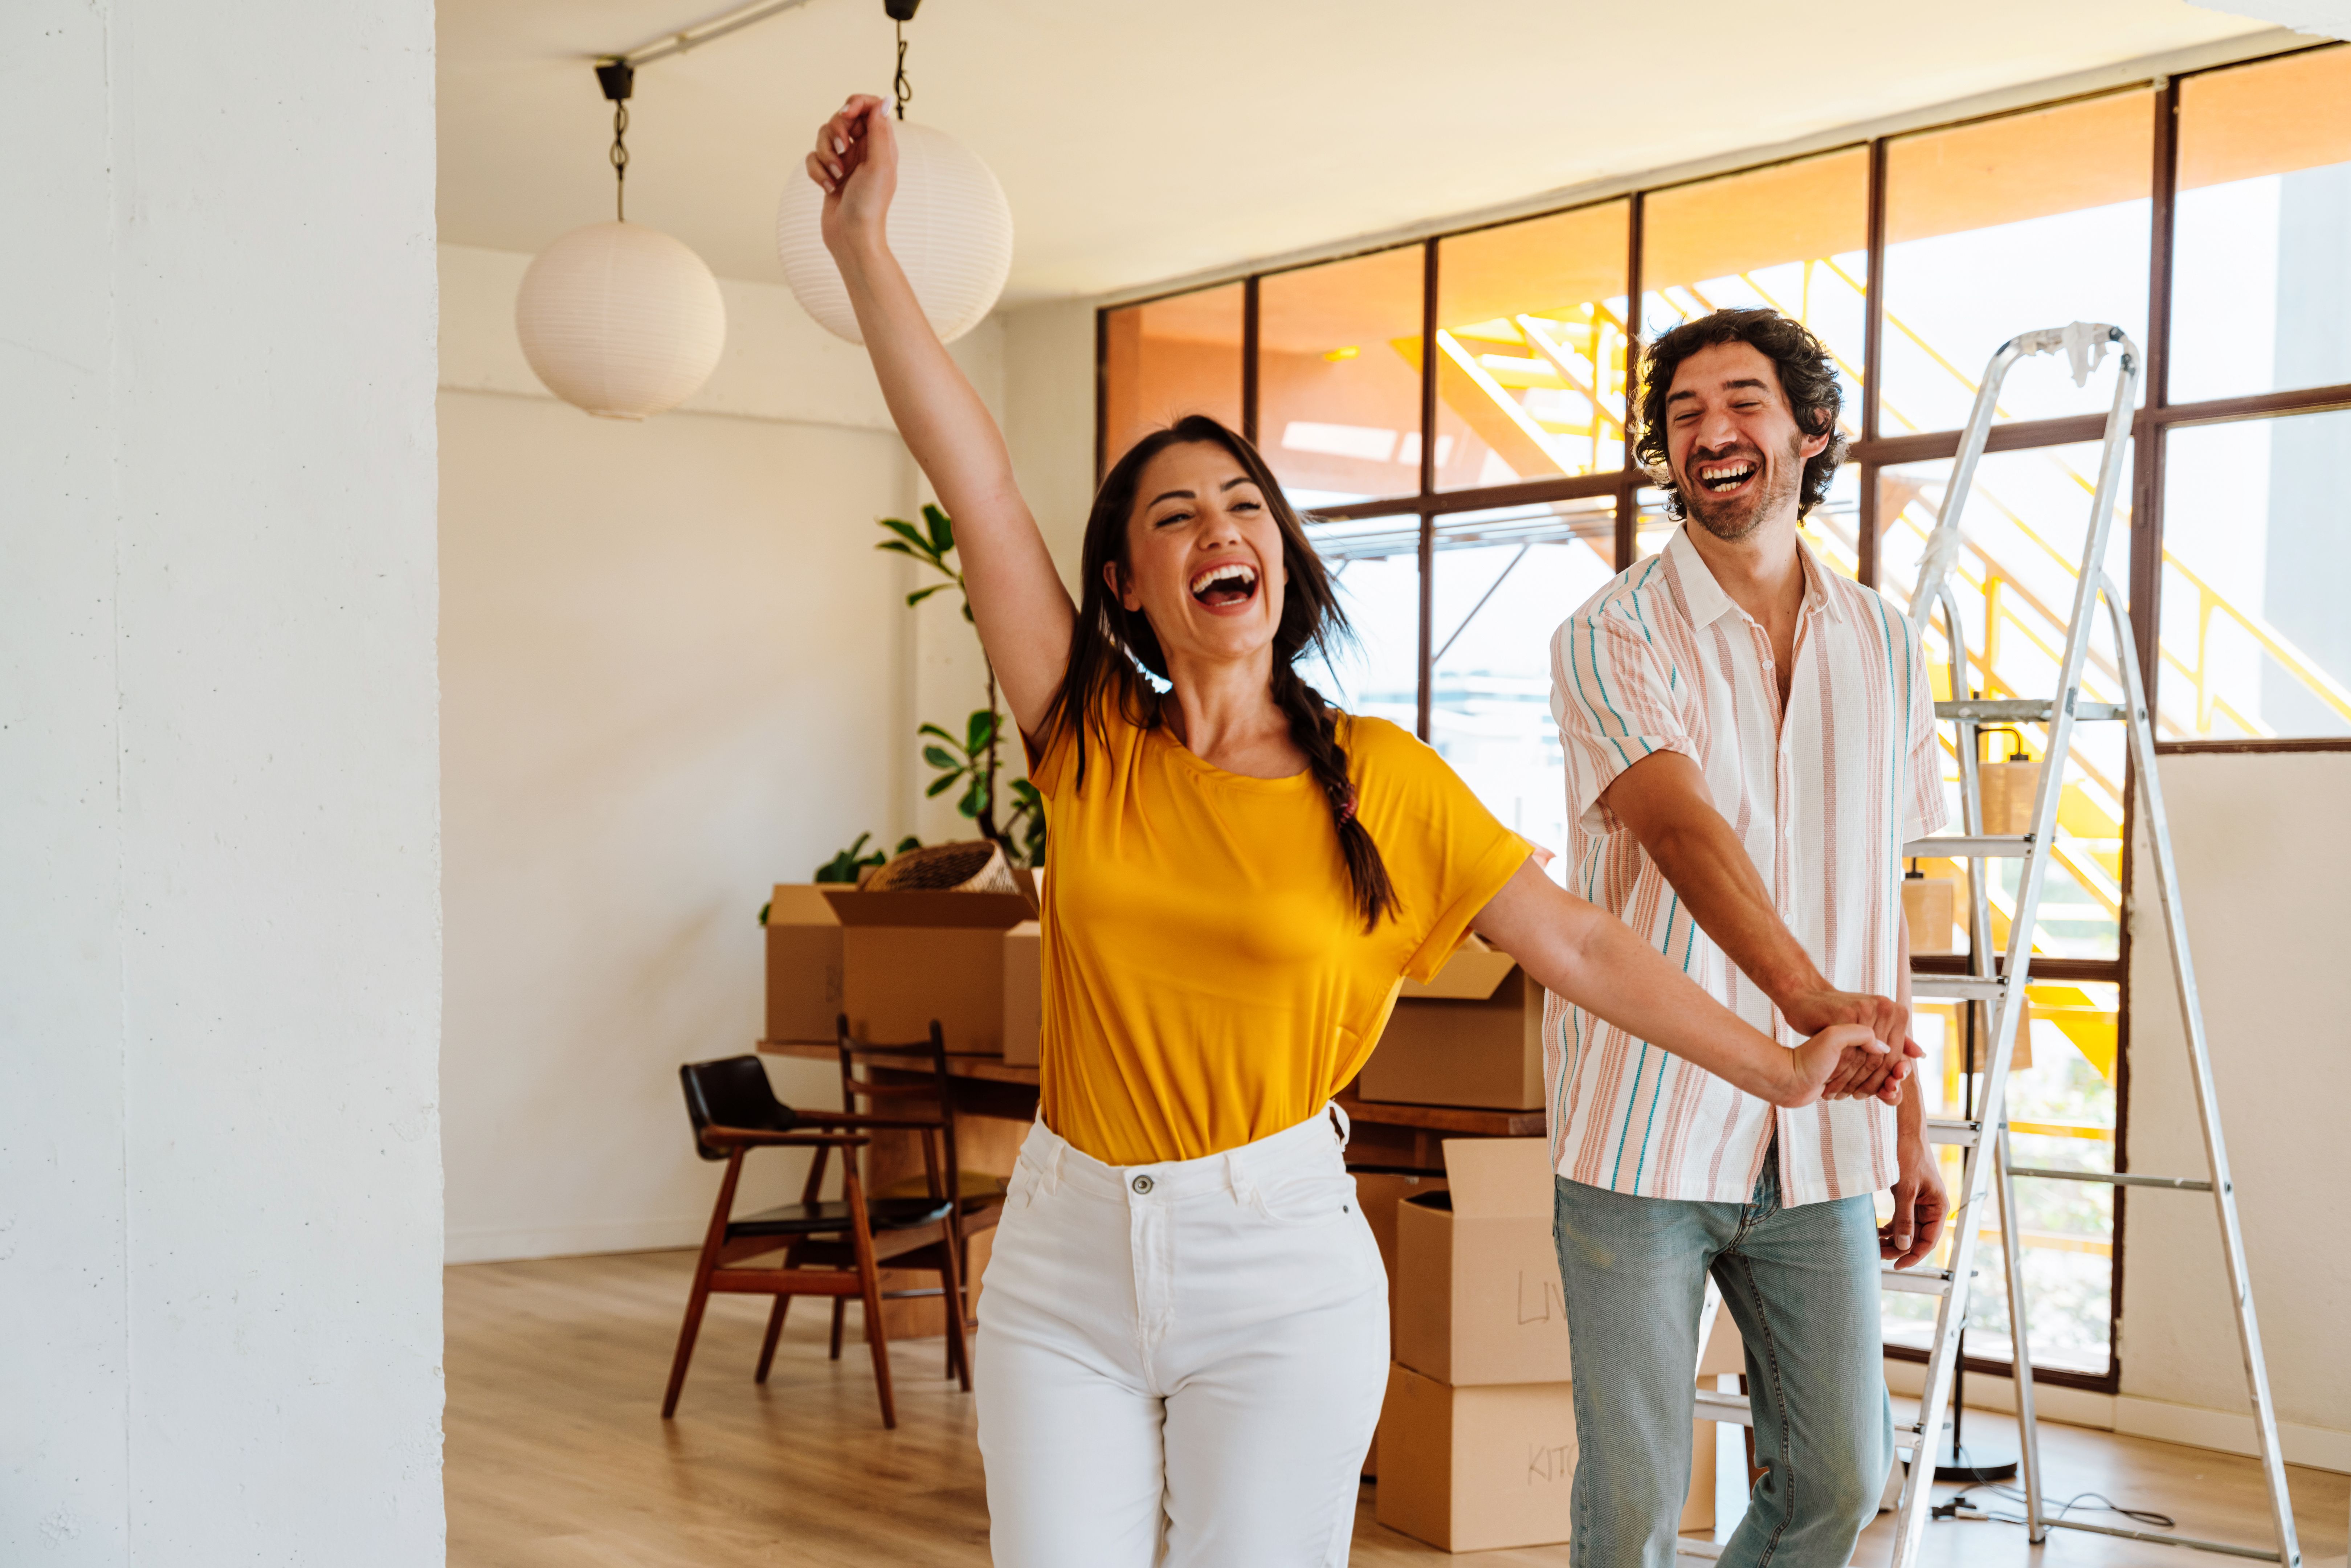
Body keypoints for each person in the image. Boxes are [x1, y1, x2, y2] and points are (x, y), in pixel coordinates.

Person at [804, 101, 1910, 1568]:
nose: (1219, 530)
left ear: (1280, 555)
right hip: (1066, 1252)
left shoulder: (1384, 780)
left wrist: (1783, 1060)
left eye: (1243, 506)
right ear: (1124, 584)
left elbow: (1582, 946)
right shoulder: (1091, 742)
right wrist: (862, 246)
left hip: (1275, 1263)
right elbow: (980, 483)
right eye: (1174, 517)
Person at [1545, 306, 1951, 1568]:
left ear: (1811, 430)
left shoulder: (1885, 641)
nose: (1710, 432)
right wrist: (1811, 1002)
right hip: (1642, 1128)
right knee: (1634, 1504)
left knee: (1841, 1475)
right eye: (1684, 416)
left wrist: (1908, 1123)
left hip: (1822, 1136)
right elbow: (1681, 833)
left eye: (1742, 404)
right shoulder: (1610, 633)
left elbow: (1878, 896)